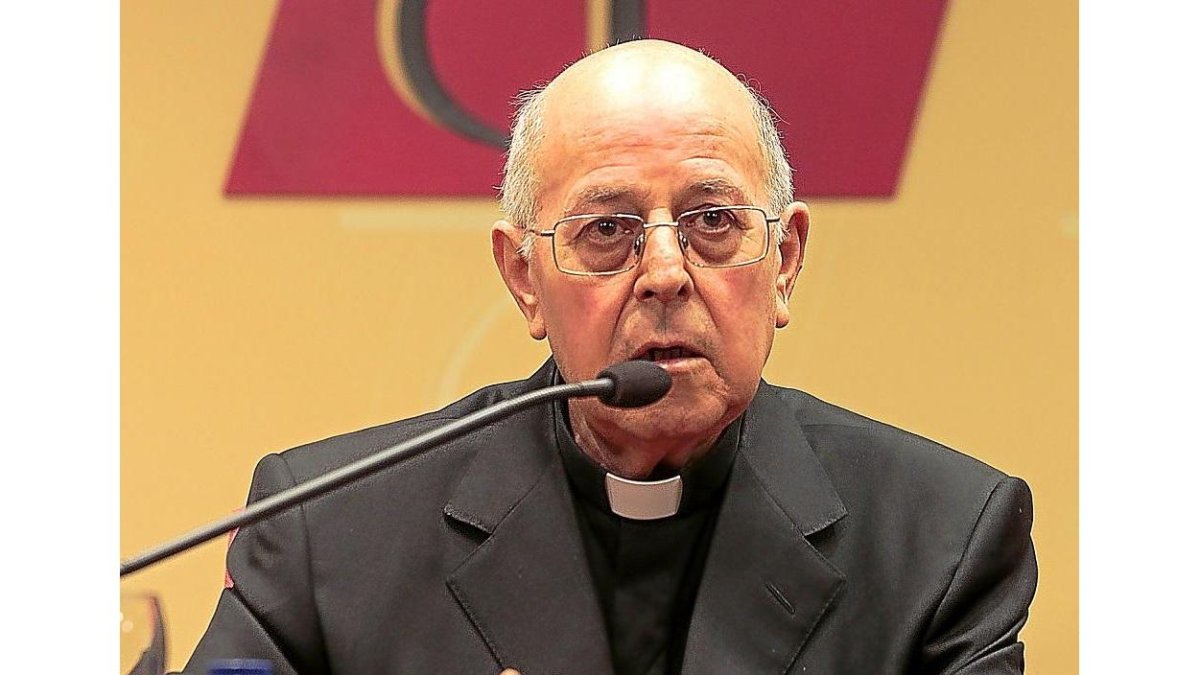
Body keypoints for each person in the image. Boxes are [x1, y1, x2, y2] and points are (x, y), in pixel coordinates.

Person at [182, 40, 1036, 674]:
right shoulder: (325, 535)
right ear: (524, 278)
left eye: (713, 222)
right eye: (606, 231)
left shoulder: (941, 541)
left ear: (784, 262)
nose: (666, 272)